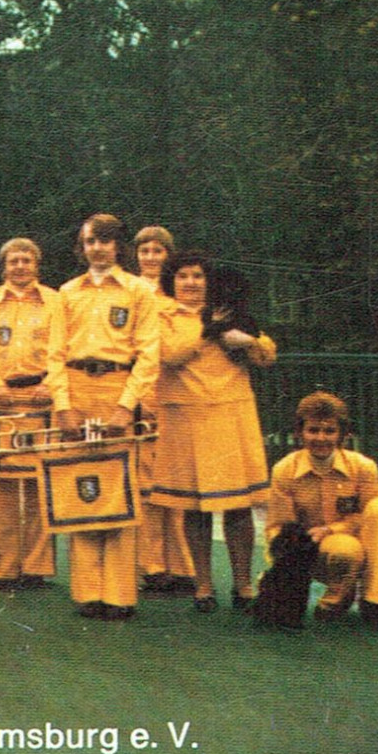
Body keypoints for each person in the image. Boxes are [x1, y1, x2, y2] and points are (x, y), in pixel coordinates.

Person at [147, 251, 275, 612]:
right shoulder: (163, 315)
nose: (191, 282)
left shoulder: (230, 310)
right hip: (185, 414)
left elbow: (267, 355)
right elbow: (170, 355)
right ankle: (203, 585)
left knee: (238, 506)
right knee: (194, 506)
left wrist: (248, 341)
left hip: (231, 412)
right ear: (172, 281)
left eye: (198, 276)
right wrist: (209, 331)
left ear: (209, 280)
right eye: (183, 276)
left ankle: (243, 584)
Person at [57, 213, 159, 620]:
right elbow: (54, 353)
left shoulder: (137, 292)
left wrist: (125, 405)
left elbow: (149, 354)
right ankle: (87, 590)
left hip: (117, 389)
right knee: (81, 488)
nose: (96, 248)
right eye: (89, 242)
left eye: (104, 241)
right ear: (81, 247)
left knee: (120, 490)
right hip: (77, 390)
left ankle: (118, 591)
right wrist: (62, 406)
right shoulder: (67, 292)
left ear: (118, 246)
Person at [0, 238, 69, 590]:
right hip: (2, 398)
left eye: (26, 260)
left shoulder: (55, 300)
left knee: (41, 484)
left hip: (42, 397)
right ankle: (2, 565)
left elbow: (63, 349)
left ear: (37, 265)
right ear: (4, 266)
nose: (20, 266)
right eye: (13, 261)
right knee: (2, 487)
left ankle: (37, 566)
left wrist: (52, 385)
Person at [264, 392, 378, 632]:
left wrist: (331, 529)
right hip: (313, 551)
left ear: (342, 434)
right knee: (346, 551)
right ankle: (336, 596)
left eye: (329, 431)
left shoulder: (364, 467)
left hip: (357, 540)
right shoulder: (284, 470)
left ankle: (372, 600)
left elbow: (367, 517)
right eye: (313, 430)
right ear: (300, 433)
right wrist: (284, 562)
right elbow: (277, 526)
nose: (321, 438)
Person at [132, 226, 195, 594]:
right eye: (145, 251)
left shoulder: (181, 293)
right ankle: (153, 565)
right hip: (145, 395)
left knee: (179, 485)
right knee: (147, 487)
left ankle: (184, 566)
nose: (152, 257)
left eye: (158, 251)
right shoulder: (133, 292)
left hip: (180, 397)